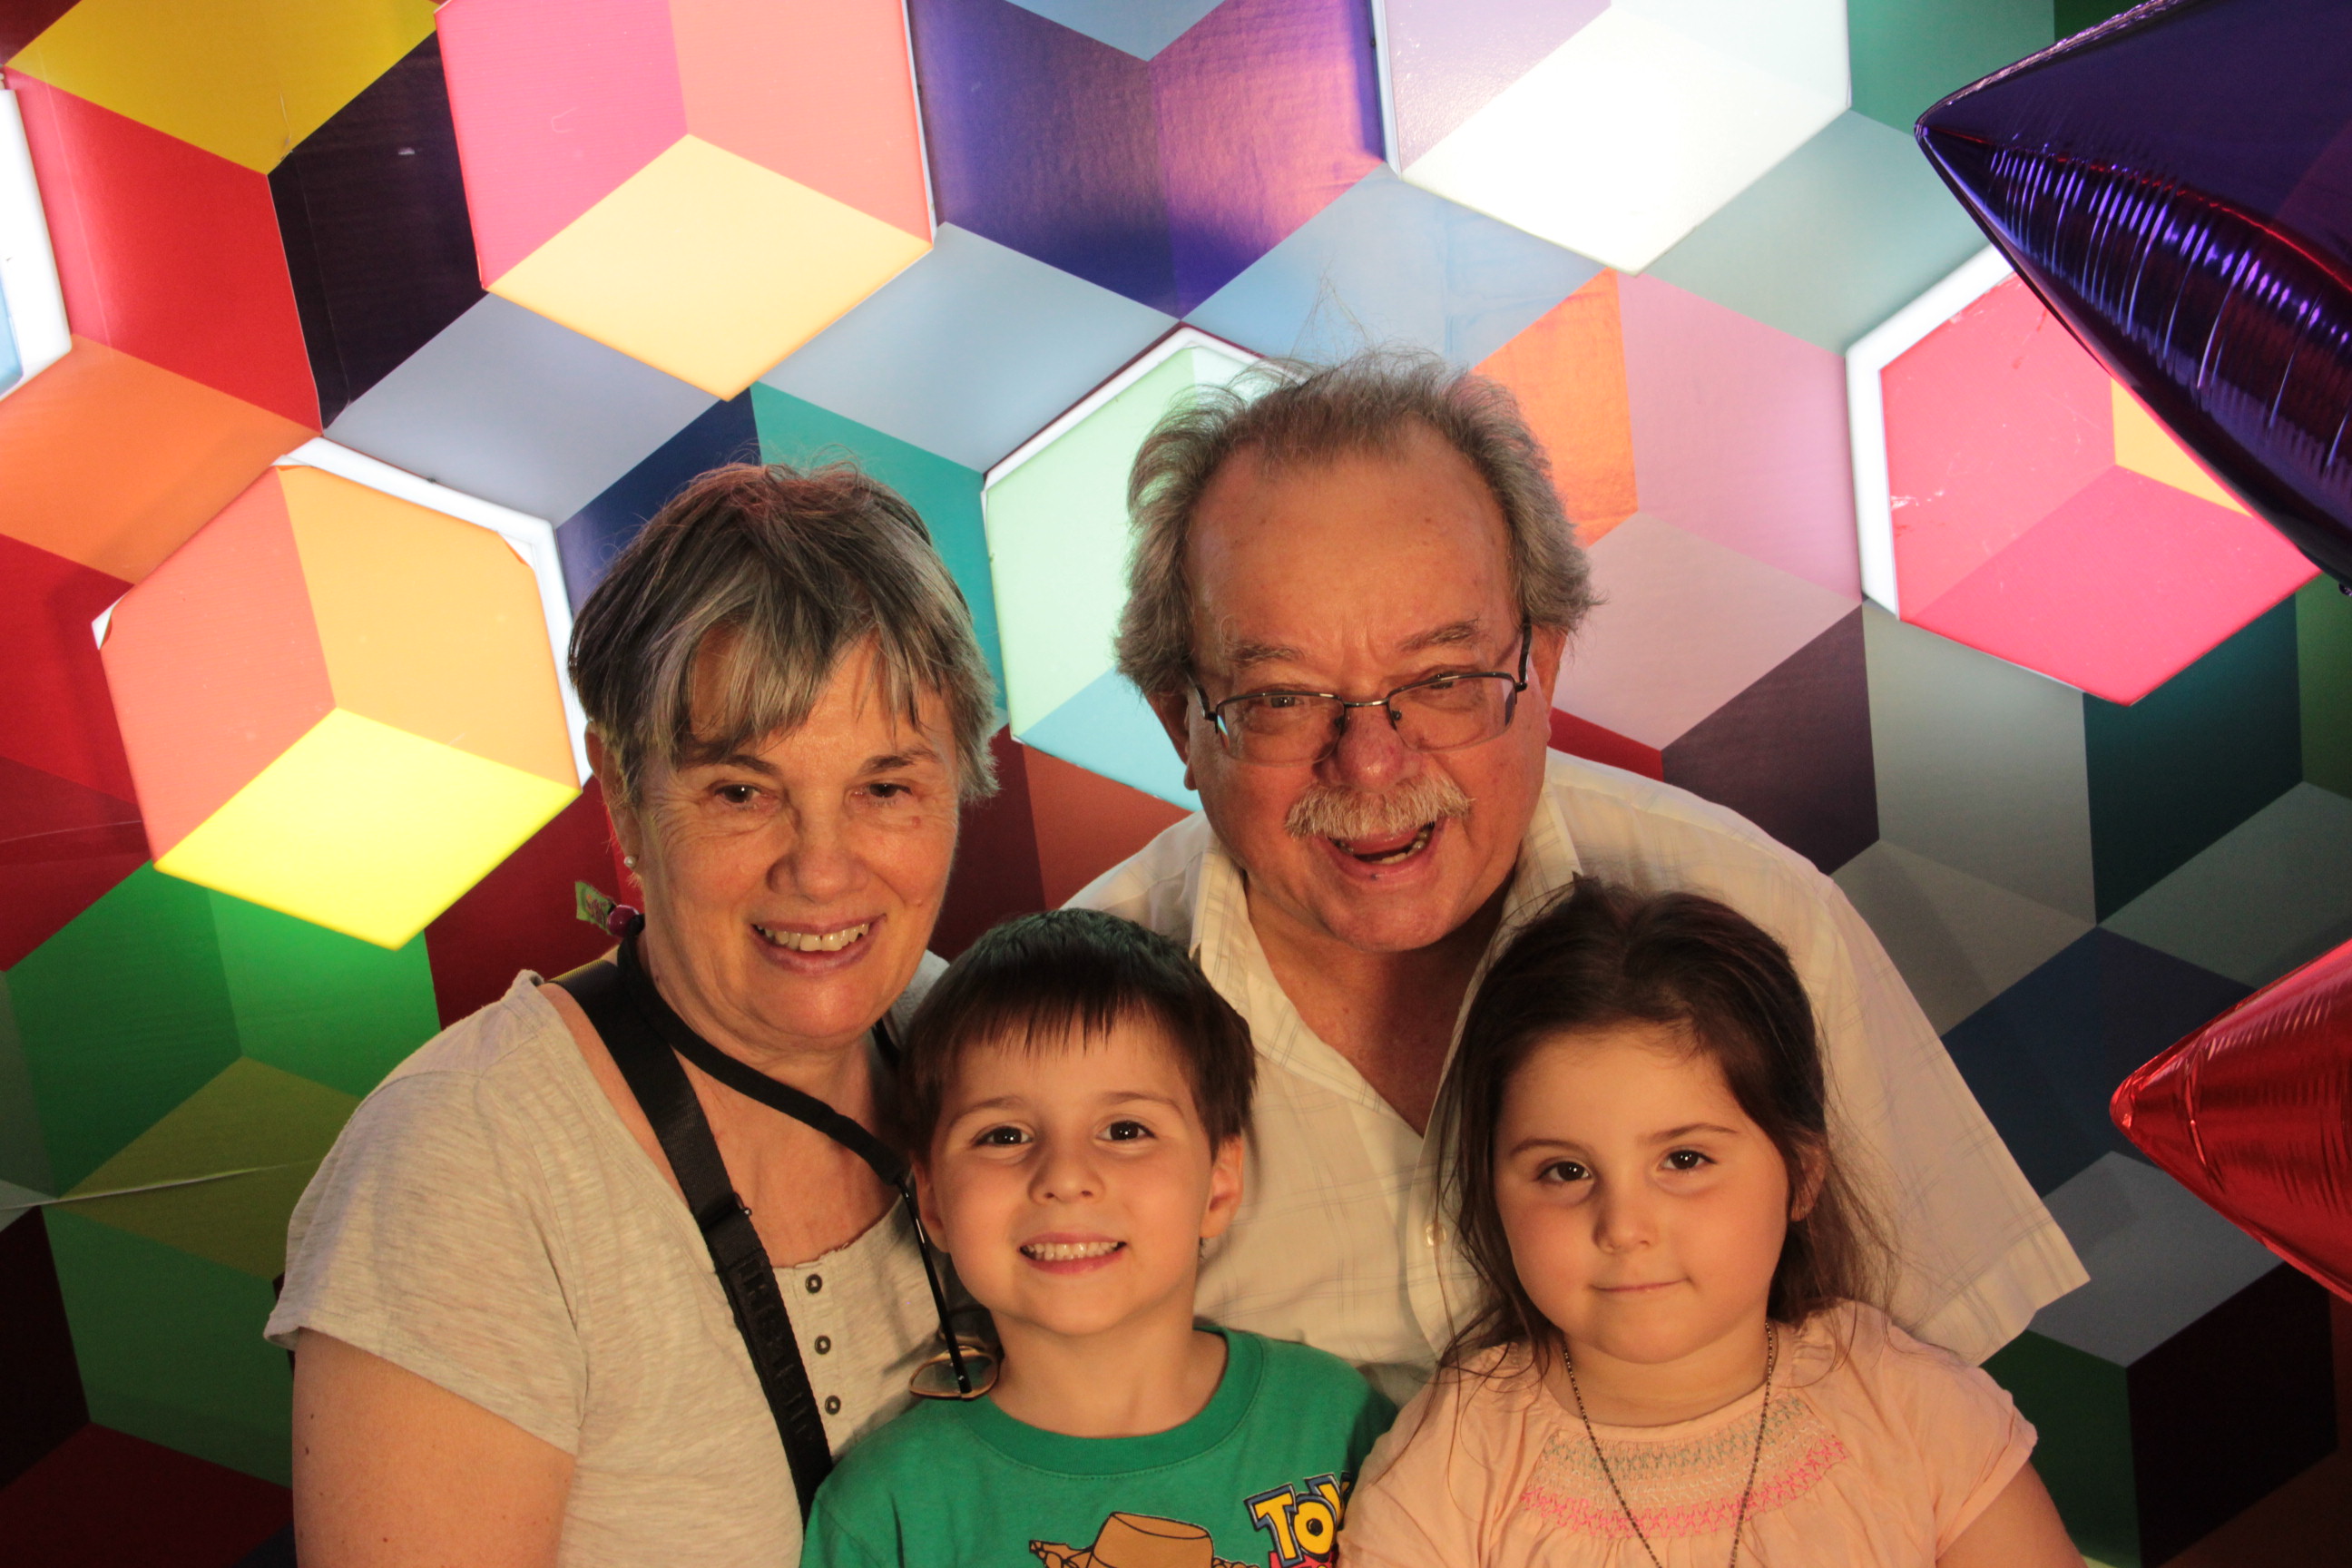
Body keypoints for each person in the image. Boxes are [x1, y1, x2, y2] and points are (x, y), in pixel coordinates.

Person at [1076, 350, 2084, 1400]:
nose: (1372, 763)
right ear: (1179, 722)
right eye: (1283, 699)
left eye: (1444, 679)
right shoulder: (1049, 1028)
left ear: (1543, 666)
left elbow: (1938, 1409)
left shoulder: (1763, 915)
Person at [268, 463, 999, 1566]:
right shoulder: (465, 1168)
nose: (822, 870)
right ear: (621, 795)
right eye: (741, 792)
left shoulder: (986, 1044)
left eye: (885, 788)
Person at [1338, 877, 2081, 1567]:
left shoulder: (1913, 1414)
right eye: (1565, 1171)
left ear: (1801, 1175)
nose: (1624, 1227)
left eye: (1684, 1160)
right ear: (1493, 1193)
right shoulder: (1451, 1468)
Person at [803, 910, 1396, 1568]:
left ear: (1218, 1185)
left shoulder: (1336, 1423)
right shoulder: (888, 1511)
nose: (1065, 1178)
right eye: (1004, 1136)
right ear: (934, 1199)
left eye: (1125, 1131)